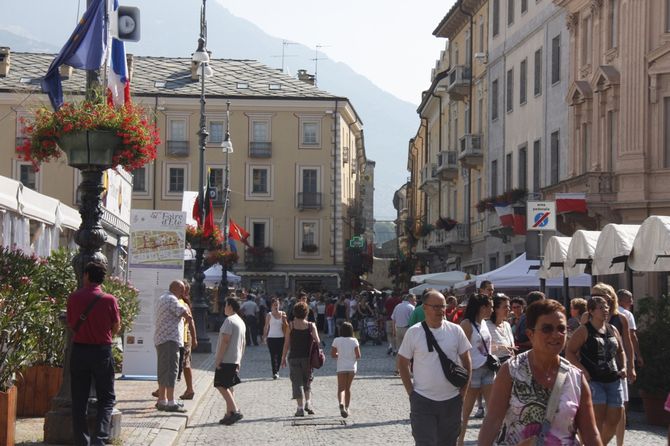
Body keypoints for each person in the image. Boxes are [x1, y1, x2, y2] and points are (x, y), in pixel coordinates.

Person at [478, 299, 602, 446]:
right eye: (547, 329)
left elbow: (590, 433)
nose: (556, 335)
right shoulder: (511, 371)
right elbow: (492, 421)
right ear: (530, 334)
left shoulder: (576, 378)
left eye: (561, 328)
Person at [397, 290, 472, 446]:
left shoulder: (455, 330)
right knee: (425, 442)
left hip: (451, 400)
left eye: (443, 306)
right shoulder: (414, 332)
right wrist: (411, 392)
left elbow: (467, 360)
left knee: (448, 442)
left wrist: (464, 390)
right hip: (423, 400)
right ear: (425, 308)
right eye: (436, 307)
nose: (441, 310)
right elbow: (402, 362)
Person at [67, 262, 121, 446]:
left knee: (79, 398)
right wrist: (103, 334)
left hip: (80, 350)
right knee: (106, 398)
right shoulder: (109, 300)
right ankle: (100, 439)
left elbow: (72, 323)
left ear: (87, 275)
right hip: (101, 351)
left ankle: (82, 441)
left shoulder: (74, 297)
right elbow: (116, 326)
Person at [566, 296, 626, 445]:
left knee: (614, 420)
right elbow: (570, 352)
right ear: (591, 311)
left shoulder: (613, 329)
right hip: (594, 380)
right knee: (597, 420)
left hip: (613, 378)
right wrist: (583, 371)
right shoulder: (584, 330)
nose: (605, 310)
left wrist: (624, 366)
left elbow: (621, 351)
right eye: (601, 307)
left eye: (606, 307)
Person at [592, 283, 635, 446]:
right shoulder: (587, 317)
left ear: (609, 297)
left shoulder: (620, 318)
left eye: (598, 295)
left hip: (616, 369)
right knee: (598, 407)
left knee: (620, 408)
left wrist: (630, 366)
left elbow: (627, 344)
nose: (594, 298)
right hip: (595, 370)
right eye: (593, 295)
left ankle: (619, 443)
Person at [458, 293, 495, 445]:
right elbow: (460, 350)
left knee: (492, 410)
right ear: (482, 307)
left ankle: (490, 440)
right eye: (490, 306)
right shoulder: (466, 324)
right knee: (466, 412)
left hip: (487, 369)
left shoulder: (484, 323)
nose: (492, 309)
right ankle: (459, 440)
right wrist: (465, 371)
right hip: (472, 371)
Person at [154, 280, 191, 412]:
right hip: (170, 339)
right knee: (171, 370)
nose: (183, 293)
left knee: (163, 369)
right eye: (182, 290)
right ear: (177, 289)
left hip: (161, 339)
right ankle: (170, 402)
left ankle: (161, 400)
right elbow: (185, 313)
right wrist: (187, 316)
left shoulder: (162, 298)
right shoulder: (172, 299)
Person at [281, 301, 321, 416]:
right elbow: (317, 341)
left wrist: (283, 357)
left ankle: (300, 408)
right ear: (306, 313)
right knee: (307, 380)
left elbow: (286, 343)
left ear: (294, 312)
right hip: (307, 358)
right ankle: (308, 403)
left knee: (296, 382)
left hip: (294, 357)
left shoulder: (291, 325)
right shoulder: (311, 325)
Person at [214, 297, 246, 425]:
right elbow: (244, 343)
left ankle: (235, 410)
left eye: (225, 305)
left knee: (220, 384)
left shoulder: (229, 320)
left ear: (230, 307)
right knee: (229, 386)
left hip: (226, 359)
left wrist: (218, 359)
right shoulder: (241, 321)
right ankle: (229, 414)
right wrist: (239, 360)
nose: (224, 308)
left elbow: (225, 341)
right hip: (235, 358)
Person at [331, 321, 361, 418]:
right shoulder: (354, 340)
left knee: (341, 388)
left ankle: (341, 403)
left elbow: (333, 354)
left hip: (341, 367)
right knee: (348, 388)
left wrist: (339, 355)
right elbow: (358, 355)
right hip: (351, 367)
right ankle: (347, 407)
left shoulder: (337, 340)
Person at [486, 293, 515, 364]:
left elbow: (512, 348)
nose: (508, 309)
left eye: (508, 306)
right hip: (494, 367)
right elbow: (481, 349)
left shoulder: (507, 325)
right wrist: (500, 347)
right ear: (495, 309)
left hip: (509, 365)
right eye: (505, 307)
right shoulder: (486, 326)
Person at [263, 297, 288, 379]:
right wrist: (264, 336)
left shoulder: (283, 313)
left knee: (280, 355)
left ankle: (277, 370)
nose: (276, 306)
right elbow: (266, 326)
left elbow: (286, 326)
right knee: (273, 356)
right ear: (271, 306)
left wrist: (285, 320)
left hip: (281, 337)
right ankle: (275, 372)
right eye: (274, 305)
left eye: (277, 304)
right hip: (271, 337)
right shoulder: (269, 315)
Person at [391, 294, 416, 373]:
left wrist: (394, 330)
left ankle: (397, 369)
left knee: (399, 350)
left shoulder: (397, 306)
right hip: (407, 329)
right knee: (409, 351)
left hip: (398, 329)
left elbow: (393, 319)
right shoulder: (411, 307)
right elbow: (413, 320)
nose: (414, 301)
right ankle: (407, 370)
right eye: (414, 300)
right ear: (410, 299)